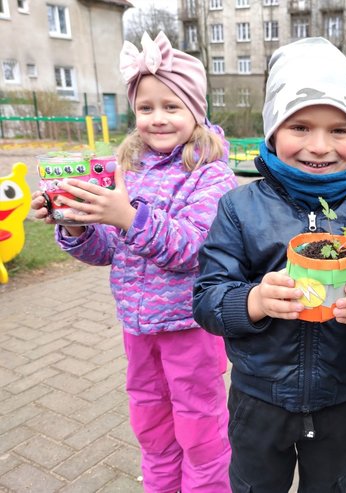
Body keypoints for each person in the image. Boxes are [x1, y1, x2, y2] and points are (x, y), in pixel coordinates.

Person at [192, 37, 346, 493]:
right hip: (259, 400)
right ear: (273, 130)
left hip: (339, 397)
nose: (320, 146)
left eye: (339, 129)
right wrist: (253, 300)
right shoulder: (239, 208)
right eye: (300, 127)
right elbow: (207, 298)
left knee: (334, 485)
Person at [30, 31, 237, 493]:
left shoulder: (211, 175)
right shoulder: (129, 168)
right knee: (150, 422)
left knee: (199, 427)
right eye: (146, 108)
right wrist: (78, 225)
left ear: (196, 111)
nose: (157, 119)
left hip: (190, 326)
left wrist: (127, 215)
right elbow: (108, 249)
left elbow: (195, 249)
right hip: (138, 326)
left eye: (171, 106)